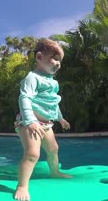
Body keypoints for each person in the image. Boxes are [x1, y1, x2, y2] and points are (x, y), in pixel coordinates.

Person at [14, 39, 72, 201]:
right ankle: (22, 186)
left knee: (53, 149)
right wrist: (30, 121)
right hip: (29, 123)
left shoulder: (53, 82)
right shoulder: (32, 78)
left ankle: (54, 172)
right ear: (39, 57)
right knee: (32, 154)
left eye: (60, 61)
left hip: (46, 124)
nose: (58, 63)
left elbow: (52, 104)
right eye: (54, 59)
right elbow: (24, 98)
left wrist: (60, 119)